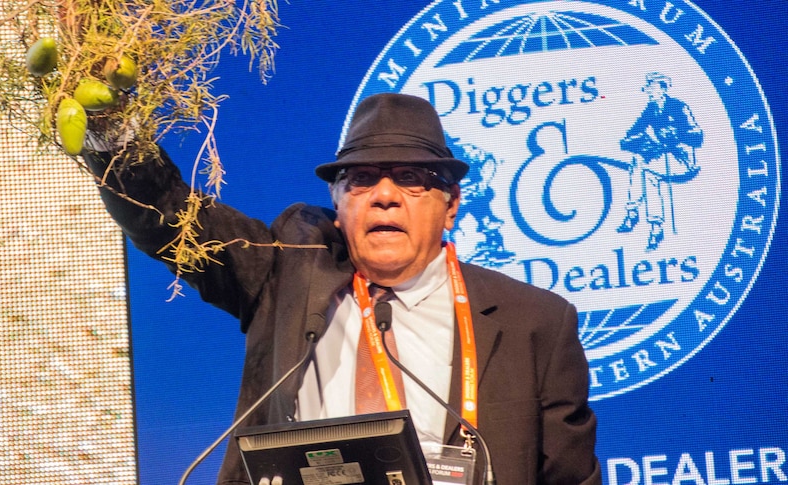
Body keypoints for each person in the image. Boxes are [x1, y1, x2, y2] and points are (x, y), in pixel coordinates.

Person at [83, 93, 601, 484]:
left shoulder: (534, 321)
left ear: (451, 204)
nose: (384, 197)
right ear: (337, 200)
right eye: (361, 179)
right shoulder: (287, 273)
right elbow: (169, 216)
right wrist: (107, 124)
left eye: (410, 178)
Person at [618, 72, 703, 250]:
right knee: (638, 160)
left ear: (663, 89)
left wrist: (675, 134)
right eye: (647, 86)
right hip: (661, 157)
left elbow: (697, 135)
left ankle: (654, 226)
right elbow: (632, 132)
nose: (648, 90)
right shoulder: (651, 109)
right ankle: (634, 212)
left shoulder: (678, 107)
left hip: (682, 160)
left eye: (651, 86)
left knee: (648, 173)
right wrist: (632, 139)